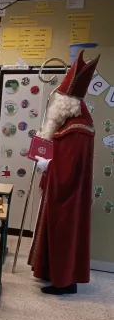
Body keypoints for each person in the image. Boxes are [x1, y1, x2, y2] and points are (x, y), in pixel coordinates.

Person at [29, 50, 100, 295]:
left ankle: (64, 281)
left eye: (59, 100)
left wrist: (47, 164)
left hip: (67, 196)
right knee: (56, 231)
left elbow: (68, 168)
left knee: (64, 233)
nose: (54, 105)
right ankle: (50, 272)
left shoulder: (78, 129)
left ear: (67, 104)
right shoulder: (70, 124)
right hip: (61, 192)